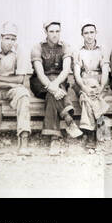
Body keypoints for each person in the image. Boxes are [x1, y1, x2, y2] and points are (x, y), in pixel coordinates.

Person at [0, 22, 33, 155]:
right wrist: (9, 83)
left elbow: (20, 79)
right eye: (7, 38)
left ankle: (23, 138)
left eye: (13, 39)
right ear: (1, 37)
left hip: (11, 89)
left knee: (23, 94)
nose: (10, 42)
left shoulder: (20, 51)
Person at [29, 20, 81, 155]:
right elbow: (40, 73)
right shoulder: (38, 47)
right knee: (53, 91)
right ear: (45, 32)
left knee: (52, 96)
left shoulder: (65, 47)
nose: (55, 34)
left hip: (59, 82)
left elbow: (65, 70)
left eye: (57, 31)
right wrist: (51, 86)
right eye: (51, 31)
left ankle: (55, 138)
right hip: (40, 83)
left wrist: (54, 87)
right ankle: (68, 119)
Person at [73, 21, 109, 151]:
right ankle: (98, 126)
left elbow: (105, 70)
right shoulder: (78, 51)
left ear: (96, 33)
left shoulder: (102, 49)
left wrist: (102, 86)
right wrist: (84, 88)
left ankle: (90, 133)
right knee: (86, 96)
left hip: (99, 81)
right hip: (84, 81)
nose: (89, 36)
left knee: (88, 98)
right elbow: (77, 74)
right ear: (82, 35)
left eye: (92, 32)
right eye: (86, 33)